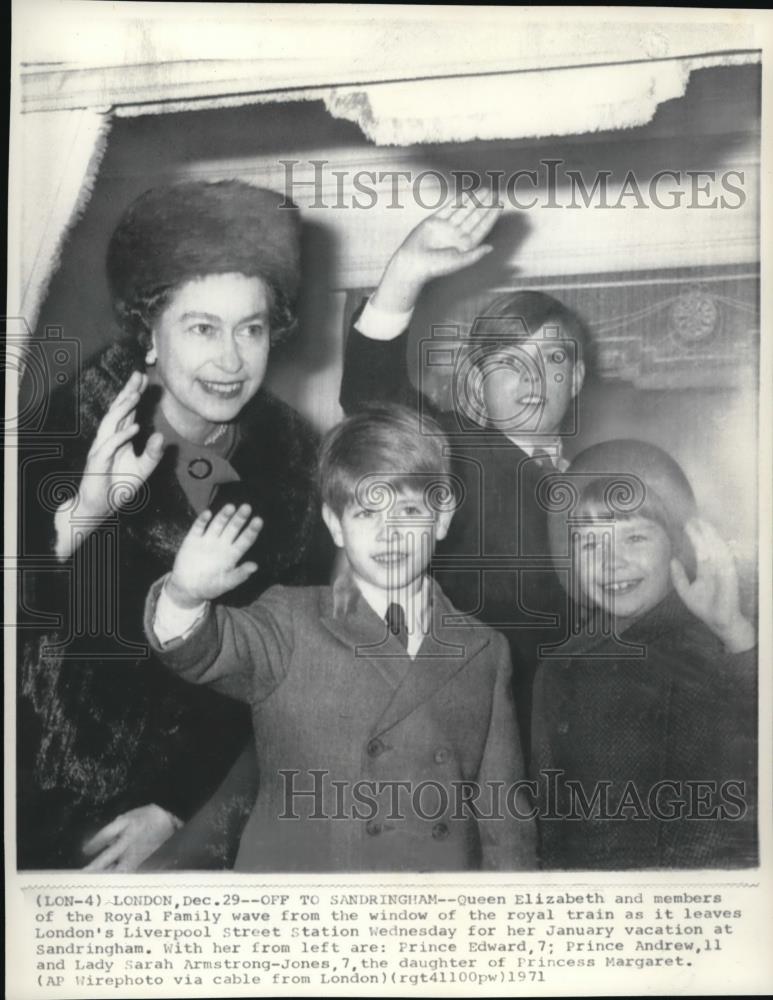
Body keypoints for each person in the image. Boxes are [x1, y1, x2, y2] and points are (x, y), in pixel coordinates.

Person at [17, 180, 330, 870]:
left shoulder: (294, 463)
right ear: (148, 332)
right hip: (44, 814)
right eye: (201, 328)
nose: (230, 361)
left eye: (250, 329)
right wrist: (78, 521)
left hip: (203, 808)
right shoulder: (52, 441)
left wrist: (174, 803)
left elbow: (280, 665)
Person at [145, 405, 537, 872]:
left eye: (410, 510)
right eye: (368, 512)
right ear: (335, 524)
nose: (390, 533)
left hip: (434, 912)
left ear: (443, 518)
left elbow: (504, 817)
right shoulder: (290, 620)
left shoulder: (485, 650)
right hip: (308, 910)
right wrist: (185, 596)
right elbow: (206, 651)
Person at [340, 195, 590, 759]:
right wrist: (403, 276)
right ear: (477, 383)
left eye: (552, 360)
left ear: (575, 378)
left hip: (581, 748)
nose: (533, 376)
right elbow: (370, 400)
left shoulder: (603, 483)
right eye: (508, 359)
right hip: (468, 748)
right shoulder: (454, 451)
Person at [531, 439, 758, 869]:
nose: (612, 562)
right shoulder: (559, 666)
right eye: (590, 543)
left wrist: (737, 637)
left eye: (634, 537)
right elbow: (551, 821)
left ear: (676, 545)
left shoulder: (717, 650)